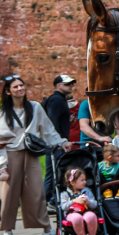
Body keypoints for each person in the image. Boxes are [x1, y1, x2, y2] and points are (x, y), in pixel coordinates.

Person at [0, 76, 69, 235]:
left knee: (36, 192)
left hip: (31, 154)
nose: (20, 89)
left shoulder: (35, 107)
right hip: (11, 154)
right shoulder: (3, 113)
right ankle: (7, 232)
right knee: (8, 195)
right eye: (15, 87)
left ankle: (46, 229)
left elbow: (48, 129)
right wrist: (0, 166)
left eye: (21, 85)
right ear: (8, 91)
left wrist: (61, 142)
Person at [42, 74, 77, 205]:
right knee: (54, 172)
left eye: (71, 84)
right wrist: (58, 142)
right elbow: (51, 122)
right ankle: (48, 200)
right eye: (67, 84)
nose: (71, 86)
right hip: (56, 144)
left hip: (59, 142)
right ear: (58, 85)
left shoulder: (60, 99)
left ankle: (49, 199)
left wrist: (67, 120)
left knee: (55, 171)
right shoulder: (56, 100)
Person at [59, 168, 100, 235]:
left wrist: (88, 202)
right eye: (82, 180)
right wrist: (73, 201)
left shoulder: (87, 191)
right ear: (72, 182)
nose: (85, 182)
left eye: (85, 180)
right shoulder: (65, 194)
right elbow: (63, 207)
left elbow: (95, 204)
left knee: (91, 216)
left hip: (86, 211)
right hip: (71, 213)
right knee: (77, 217)